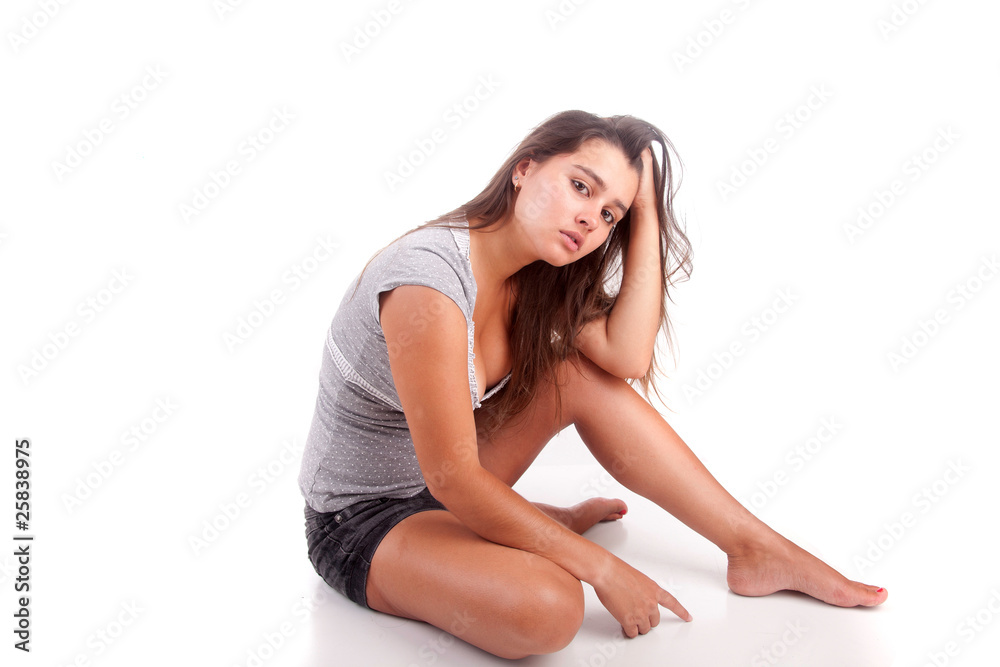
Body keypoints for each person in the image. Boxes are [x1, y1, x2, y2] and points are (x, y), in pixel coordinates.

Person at [298, 110, 887, 660]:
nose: (591, 218)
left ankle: (754, 547)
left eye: (610, 215)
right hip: (362, 521)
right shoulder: (427, 283)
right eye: (581, 186)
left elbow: (625, 356)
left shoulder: (537, 279)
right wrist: (601, 568)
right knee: (550, 609)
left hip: (451, 482)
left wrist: (646, 215)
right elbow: (452, 478)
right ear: (524, 169)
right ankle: (504, 531)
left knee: (576, 373)